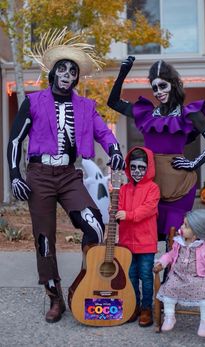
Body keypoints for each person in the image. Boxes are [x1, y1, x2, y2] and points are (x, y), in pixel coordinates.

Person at [7, 28, 125, 324]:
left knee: (96, 226)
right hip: (39, 175)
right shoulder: (32, 102)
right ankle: (55, 297)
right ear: (54, 72)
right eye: (63, 68)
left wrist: (115, 150)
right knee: (44, 241)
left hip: (69, 174)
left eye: (73, 71)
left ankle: (85, 280)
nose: (67, 73)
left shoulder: (86, 107)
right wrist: (14, 175)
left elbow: (103, 133)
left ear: (76, 78)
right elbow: (14, 141)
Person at [107, 56, 205, 240]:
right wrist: (123, 73)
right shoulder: (147, 113)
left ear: (173, 84)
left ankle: (173, 270)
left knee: (175, 238)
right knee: (146, 236)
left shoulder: (189, 114)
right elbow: (113, 102)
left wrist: (193, 163)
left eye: (162, 86)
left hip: (180, 186)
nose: (158, 92)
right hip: (150, 183)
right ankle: (148, 270)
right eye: (154, 88)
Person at [153, 209, 205, 337]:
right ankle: (169, 316)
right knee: (169, 288)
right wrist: (161, 263)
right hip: (178, 276)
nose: (181, 227)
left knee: (204, 293)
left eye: (186, 226)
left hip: (197, 278)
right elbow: (171, 255)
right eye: (183, 224)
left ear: (197, 232)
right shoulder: (179, 243)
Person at [115, 146, 160, 327]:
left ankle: (146, 308)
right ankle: (133, 306)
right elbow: (118, 208)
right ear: (128, 168)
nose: (137, 172)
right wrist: (116, 213)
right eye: (133, 167)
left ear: (148, 168)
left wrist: (128, 215)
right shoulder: (124, 189)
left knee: (146, 276)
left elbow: (148, 209)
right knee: (131, 276)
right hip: (126, 243)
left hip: (146, 243)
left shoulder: (153, 188)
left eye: (141, 168)